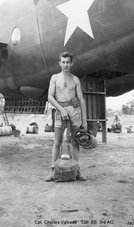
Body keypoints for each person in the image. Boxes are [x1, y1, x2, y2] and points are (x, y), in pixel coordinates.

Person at [45, 52, 87, 182]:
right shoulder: (54, 78)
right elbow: (50, 97)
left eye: (68, 62)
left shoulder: (75, 79)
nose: (65, 65)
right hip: (60, 111)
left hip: (74, 112)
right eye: (63, 62)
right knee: (57, 142)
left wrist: (84, 120)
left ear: (71, 63)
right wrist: (61, 110)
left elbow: (81, 99)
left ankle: (77, 171)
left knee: (75, 143)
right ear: (59, 63)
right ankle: (53, 171)